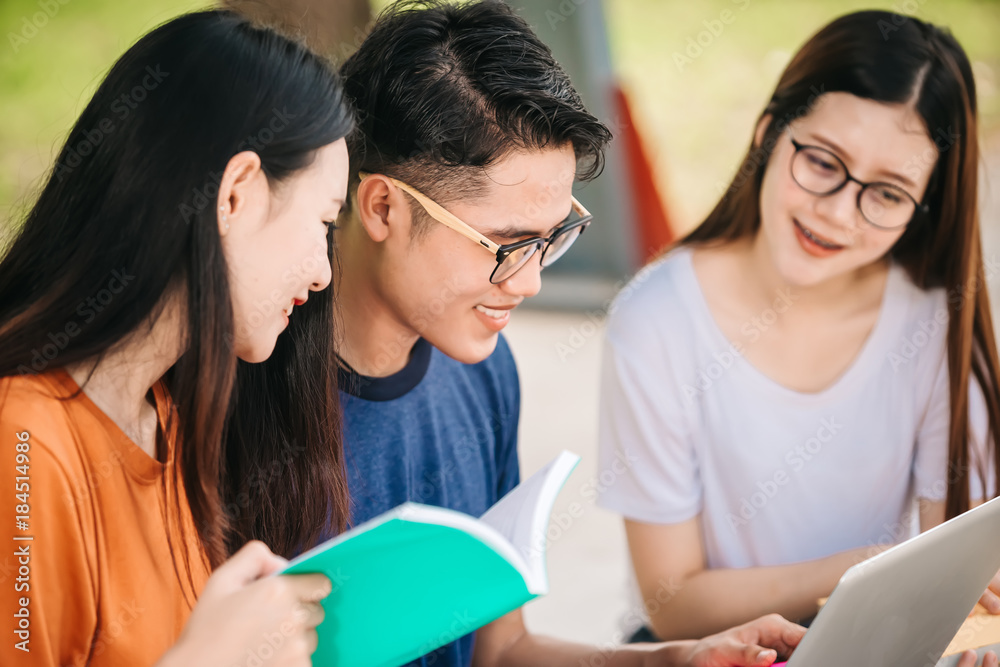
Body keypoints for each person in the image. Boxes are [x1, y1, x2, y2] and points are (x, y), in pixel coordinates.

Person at [331, 1, 808, 665]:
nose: (528, 284)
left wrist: (669, 659)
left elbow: (500, 649)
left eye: (551, 238)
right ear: (382, 206)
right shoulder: (235, 390)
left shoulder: (481, 367)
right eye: (505, 244)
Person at [596, 10, 1000, 665]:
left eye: (889, 194)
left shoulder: (935, 326)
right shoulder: (656, 319)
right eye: (821, 161)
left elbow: (965, 574)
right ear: (767, 133)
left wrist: (978, 634)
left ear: (925, 207)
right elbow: (673, 602)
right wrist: (865, 567)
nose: (837, 211)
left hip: (878, 642)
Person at [0, 10, 352, 665]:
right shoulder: (24, 443)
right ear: (237, 194)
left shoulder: (167, 414)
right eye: (324, 222)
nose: (325, 271)